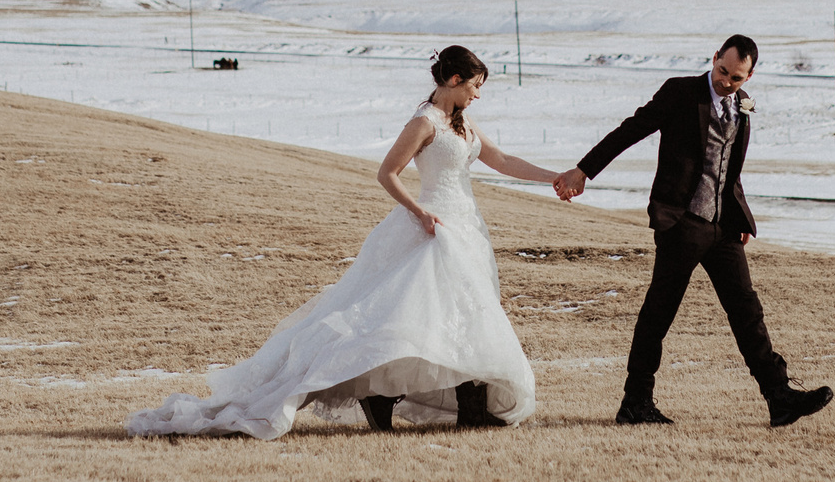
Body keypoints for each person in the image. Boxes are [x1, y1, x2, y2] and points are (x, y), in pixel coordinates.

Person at [127, 45, 562, 439]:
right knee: (403, 317)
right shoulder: (424, 122)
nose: (478, 95)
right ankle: (387, 394)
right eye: (475, 86)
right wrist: (419, 211)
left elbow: (502, 160)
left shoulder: (462, 123)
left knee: (466, 314)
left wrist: (555, 177)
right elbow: (387, 174)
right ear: (454, 81)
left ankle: (464, 406)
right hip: (432, 226)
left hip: (466, 227)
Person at [554, 34, 834, 428]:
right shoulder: (680, 92)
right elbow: (630, 130)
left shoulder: (742, 105)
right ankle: (636, 402)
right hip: (682, 222)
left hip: (723, 228)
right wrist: (583, 171)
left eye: (736, 78)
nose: (726, 82)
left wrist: (740, 217)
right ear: (715, 57)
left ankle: (779, 397)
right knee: (659, 312)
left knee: (746, 311)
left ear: (749, 75)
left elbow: (728, 169)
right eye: (722, 71)